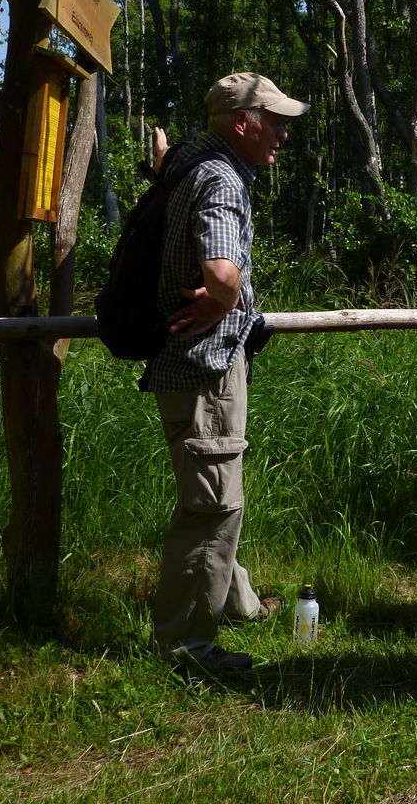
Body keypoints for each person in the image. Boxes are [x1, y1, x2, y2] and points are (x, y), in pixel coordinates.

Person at [142, 71, 308, 675]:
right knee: (212, 505)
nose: (284, 134)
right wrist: (221, 300)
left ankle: (236, 602)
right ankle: (187, 650)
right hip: (204, 366)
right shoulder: (219, 177)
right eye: (277, 121)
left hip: (183, 366)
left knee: (212, 488)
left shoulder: (189, 163)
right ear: (244, 123)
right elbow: (221, 270)